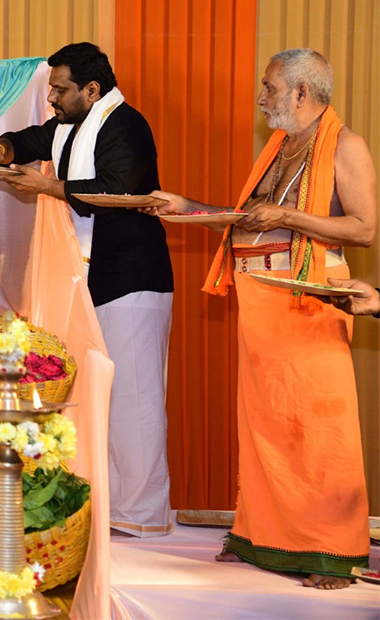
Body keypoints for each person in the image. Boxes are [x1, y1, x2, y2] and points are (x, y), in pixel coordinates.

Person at [148, 48, 376, 589]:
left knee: (319, 428)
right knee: (265, 427)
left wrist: (290, 214)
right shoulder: (278, 146)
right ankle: (264, 539)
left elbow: (364, 228)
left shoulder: (346, 145)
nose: (260, 98)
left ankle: (333, 552)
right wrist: (186, 206)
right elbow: (247, 226)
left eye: (270, 87)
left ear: (302, 92)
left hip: (313, 298)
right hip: (260, 301)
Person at [0, 42, 175, 537]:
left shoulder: (127, 125)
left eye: (59, 90)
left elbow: (120, 192)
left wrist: (48, 189)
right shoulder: (69, 126)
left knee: (134, 399)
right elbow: (32, 137)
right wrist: (3, 149)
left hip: (131, 280)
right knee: (90, 398)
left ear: (92, 89)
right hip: (90, 280)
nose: (52, 99)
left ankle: (142, 516)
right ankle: (103, 508)